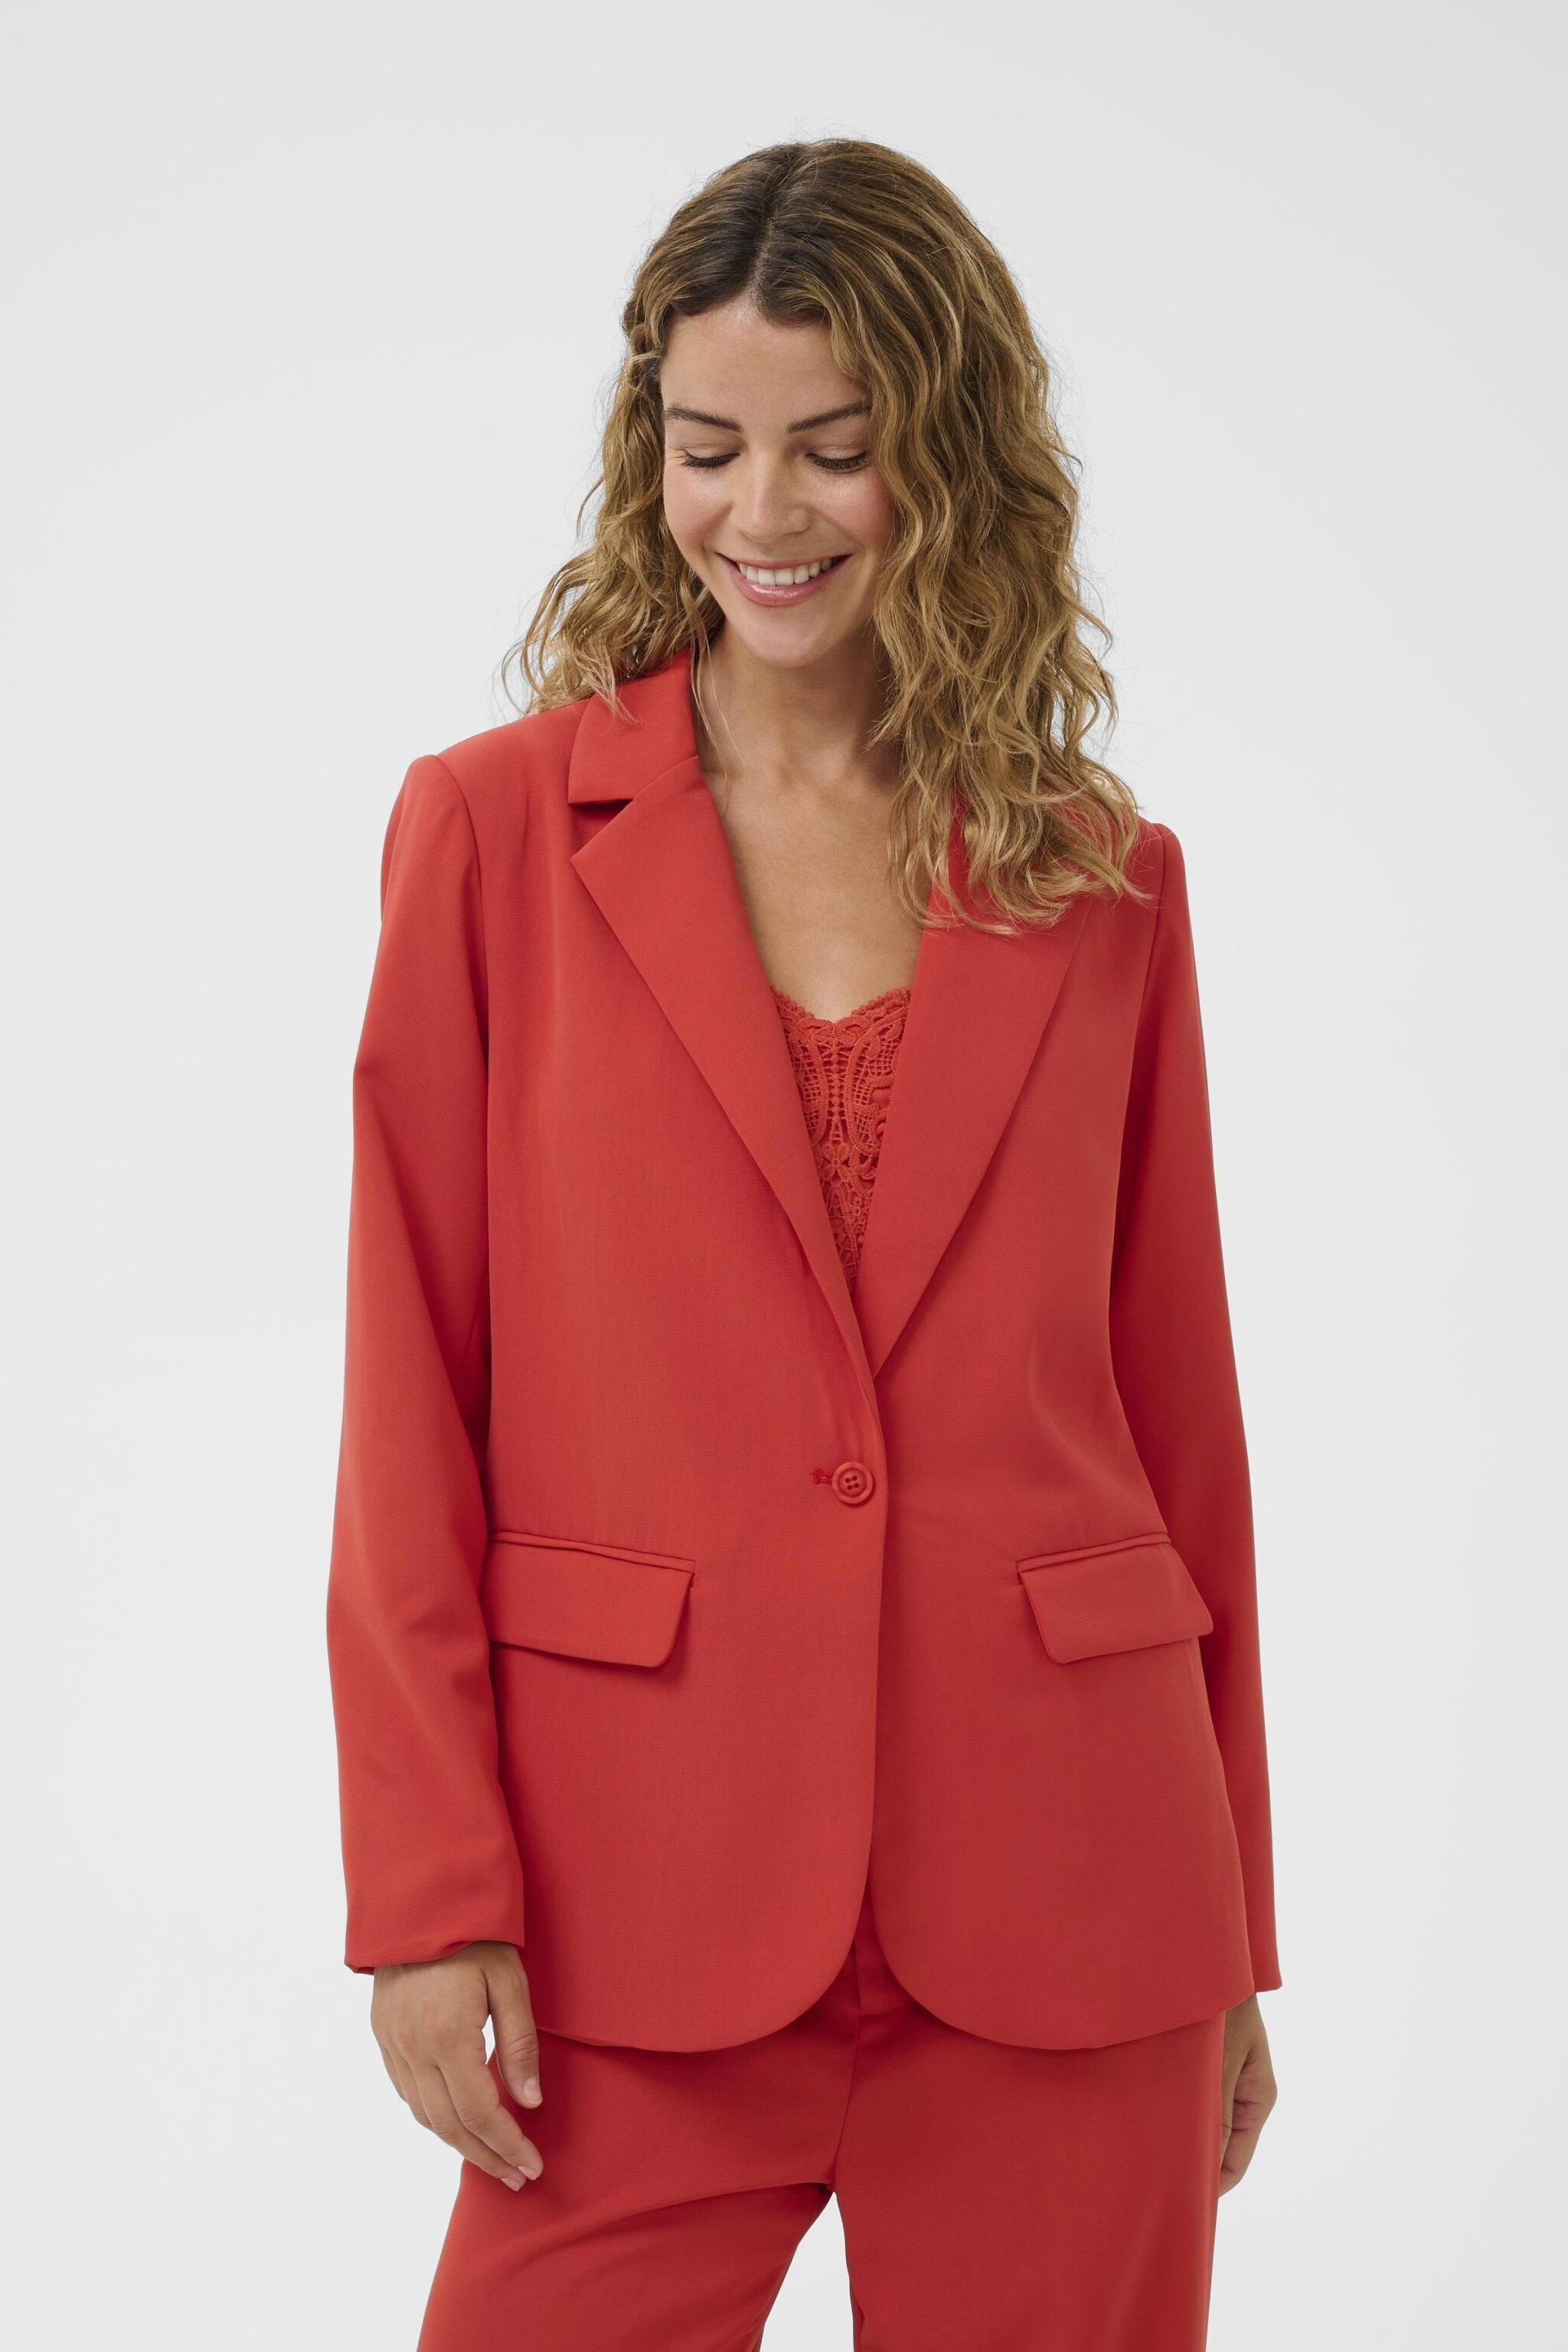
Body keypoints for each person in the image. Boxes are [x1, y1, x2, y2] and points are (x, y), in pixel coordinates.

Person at [326, 136, 1280, 2351]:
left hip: (1073, 1899)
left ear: (951, 459)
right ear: (646, 450)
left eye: (837, 450)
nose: (763, 511)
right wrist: (428, 1891)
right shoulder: (491, 835)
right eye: (709, 446)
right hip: (631, 1901)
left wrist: (1231, 1926)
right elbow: (407, 1394)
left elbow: (1181, 1421)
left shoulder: (1099, 874)